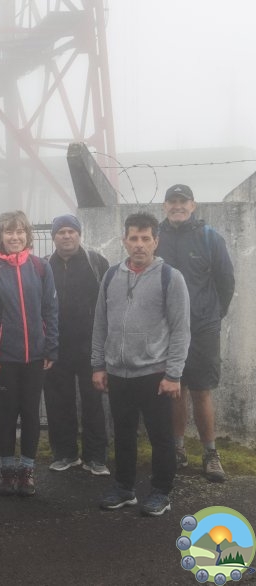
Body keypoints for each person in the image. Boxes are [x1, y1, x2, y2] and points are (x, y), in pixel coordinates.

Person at [93, 212, 189, 517]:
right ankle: (124, 488)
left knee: (161, 437)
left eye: (145, 238)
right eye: (133, 238)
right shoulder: (111, 276)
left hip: (155, 373)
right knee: (123, 435)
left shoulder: (170, 277)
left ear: (155, 241)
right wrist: (98, 365)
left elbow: (181, 329)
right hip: (118, 373)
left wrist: (173, 374)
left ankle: (161, 492)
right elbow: (100, 324)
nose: (139, 244)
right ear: (124, 241)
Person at [155, 184, 235, 483]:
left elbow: (226, 281)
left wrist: (213, 314)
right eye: (172, 201)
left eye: (183, 201)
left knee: (201, 391)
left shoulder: (209, 237)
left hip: (202, 328)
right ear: (164, 206)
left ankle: (210, 454)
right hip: (166, 328)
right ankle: (177, 450)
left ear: (193, 205)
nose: (178, 206)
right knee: (174, 388)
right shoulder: (156, 237)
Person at [0, 210, 58, 497]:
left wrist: (51, 346)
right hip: (5, 358)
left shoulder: (41, 267)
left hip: (36, 356)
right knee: (7, 413)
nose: (14, 237)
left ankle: (26, 470)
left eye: (20, 231)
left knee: (30, 413)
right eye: (9, 232)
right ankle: (7, 471)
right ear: (0, 236)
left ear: (27, 235)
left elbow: (51, 310)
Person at [43, 214, 111, 476]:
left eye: (71, 231)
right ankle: (65, 454)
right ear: (54, 237)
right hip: (56, 346)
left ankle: (96, 457)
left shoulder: (97, 262)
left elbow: (108, 303)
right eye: (61, 232)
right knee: (59, 402)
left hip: (90, 346)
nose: (66, 236)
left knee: (93, 402)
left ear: (79, 235)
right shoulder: (45, 266)